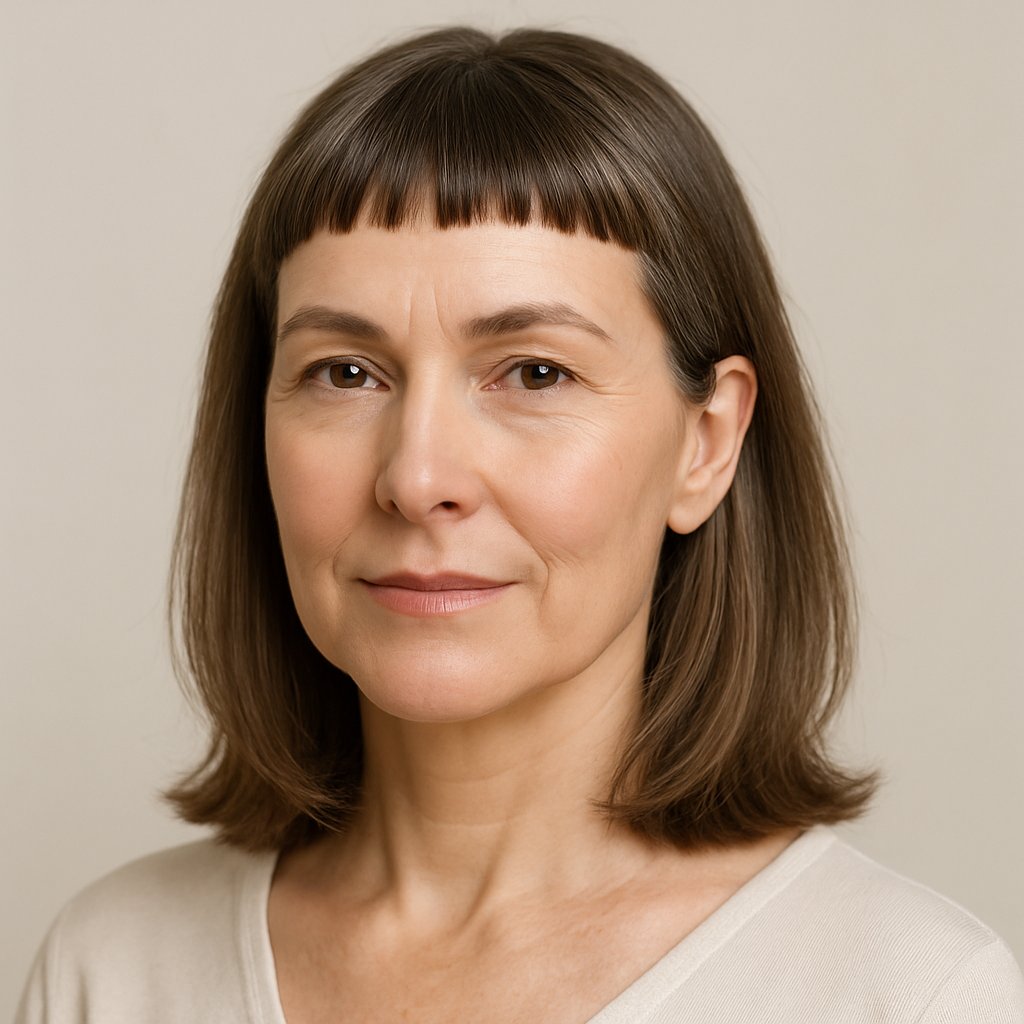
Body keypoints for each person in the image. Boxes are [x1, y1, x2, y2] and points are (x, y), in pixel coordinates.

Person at [16, 25, 1024, 1024]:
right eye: (345, 373)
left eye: (534, 372)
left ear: (705, 442)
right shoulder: (110, 971)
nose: (417, 478)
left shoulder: (911, 996)